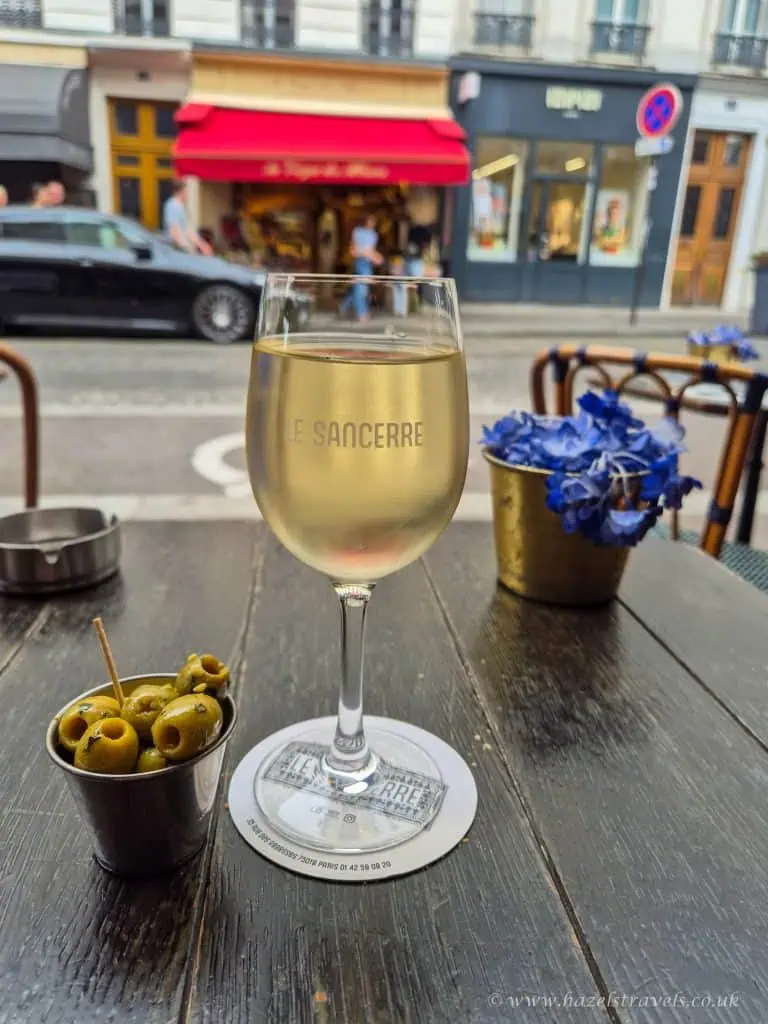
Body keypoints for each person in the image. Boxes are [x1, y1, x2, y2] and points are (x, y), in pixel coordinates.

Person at [339, 214, 382, 322]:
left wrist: (376, 257)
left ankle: (345, 305)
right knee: (361, 288)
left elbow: (371, 250)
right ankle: (361, 313)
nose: (371, 224)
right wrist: (363, 253)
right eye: (370, 221)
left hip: (367, 262)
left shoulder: (373, 235)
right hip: (360, 261)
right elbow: (353, 248)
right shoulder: (358, 231)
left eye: (373, 222)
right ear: (365, 221)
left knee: (361, 287)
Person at [162, 179, 212, 256]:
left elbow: (187, 230)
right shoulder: (173, 206)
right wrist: (185, 250)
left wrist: (202, 245)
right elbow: (174, 231)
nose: (188, 194)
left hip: (182, 250)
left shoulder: (180, 206)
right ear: (182, 191)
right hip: (176, 251)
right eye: (187, 190)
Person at [389, 249, 407, 317]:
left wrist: (394, 272)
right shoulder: (401, 260)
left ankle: (399, 311)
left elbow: (391, 270)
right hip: (400, 278)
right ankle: (401, 311)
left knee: (398, 295)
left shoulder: (395, 260)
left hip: (400, 278)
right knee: (400, 295)